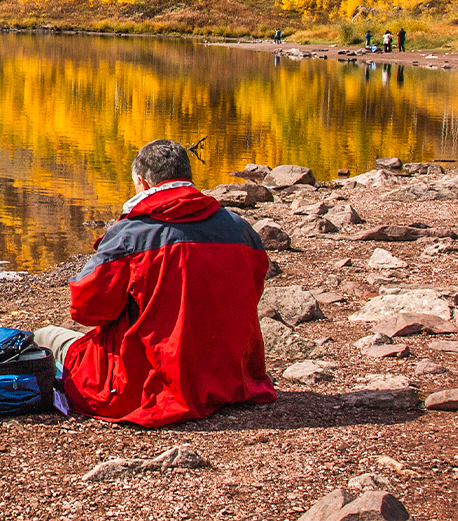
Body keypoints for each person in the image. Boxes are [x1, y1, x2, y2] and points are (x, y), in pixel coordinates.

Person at [32, 140, 276, 427]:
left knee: (45, 336)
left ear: (142, 182)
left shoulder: (130, 235)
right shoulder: (241, 229)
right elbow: (251, 291)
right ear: (187, 179)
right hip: (234, 379)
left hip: (150, 386)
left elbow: (85, 309)